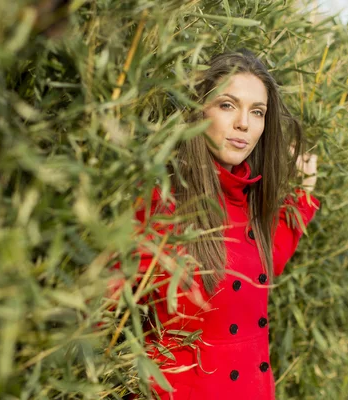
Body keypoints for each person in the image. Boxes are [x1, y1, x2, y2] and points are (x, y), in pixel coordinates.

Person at [116, 49, 320, 399]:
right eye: (228, 105)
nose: (244, 123)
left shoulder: (252, 201)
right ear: (197, 110)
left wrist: (302, 195)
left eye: (257, 112)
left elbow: (269, 260)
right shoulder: (159, 203)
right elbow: (107, 305)